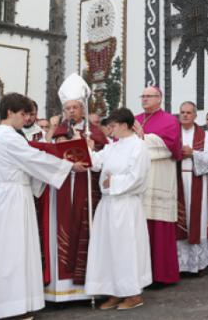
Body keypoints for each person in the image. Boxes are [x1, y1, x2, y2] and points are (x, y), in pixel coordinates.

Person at [0, 92, 76, 320]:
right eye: (22, 114)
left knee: (16, 249)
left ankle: (16, 302)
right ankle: (10, 306)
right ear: (10, 113)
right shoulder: (9, 136)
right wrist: (68, 166)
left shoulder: (5, 135)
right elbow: (34, 159)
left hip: (13, 194)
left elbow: (30, 161)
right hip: (13, 197)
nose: (25, 119)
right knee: (12, 251)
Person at [37, 74, 106, 303]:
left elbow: (102, 153)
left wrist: (89, 146)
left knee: (83, 228)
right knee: (62, 228)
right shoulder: (57, 130)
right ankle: (61, 289)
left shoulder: (93, 130)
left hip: (86, 185)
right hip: (63, 186)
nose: (72, 111)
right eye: (68, 108)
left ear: (83, 108)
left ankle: (86, 287)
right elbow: (49, 150)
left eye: (75, 107)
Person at [85, 107, 152, 310]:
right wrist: (88, 149)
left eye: (113, 126)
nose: (110, 130)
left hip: (125, 205)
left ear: (124, 125)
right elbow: (96, 163)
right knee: (108, 249)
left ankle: (132, 293)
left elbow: (138, 177)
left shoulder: (138, 147)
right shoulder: (113, 146)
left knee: (125, 249)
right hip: (108, 206)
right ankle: (114, 291)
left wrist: (113, 182)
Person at [135, 85, 182, 285]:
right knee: (140, 226)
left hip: (160, 176)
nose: (144, 99)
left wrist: (141, 138)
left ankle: (163, 275)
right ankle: (142, 274)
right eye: (143, 96)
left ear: (159, 98)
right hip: (140, 180)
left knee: (159, 227)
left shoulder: (170, 120)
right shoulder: (135, 119)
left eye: (149, 96)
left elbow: (169, 146)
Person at [175, 101, 208, 275]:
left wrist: (193, 153)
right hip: (177, 181)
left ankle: (197, 264)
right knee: (179, 222)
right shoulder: (174, 133)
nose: (185, 115)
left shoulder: (204, 135)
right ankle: (180, 265)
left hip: (198, 182)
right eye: (182, 112)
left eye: (189, 112)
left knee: (198, 221)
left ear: (195, 115)